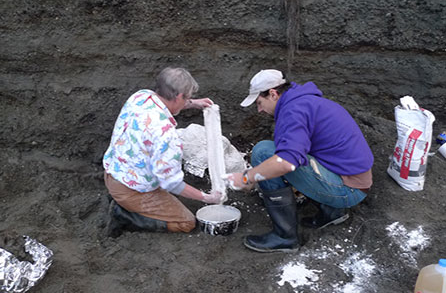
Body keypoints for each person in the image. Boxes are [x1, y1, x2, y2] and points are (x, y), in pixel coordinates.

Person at [223, 69, 373, 253]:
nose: (259, 109)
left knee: (263, 152)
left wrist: (247, 177)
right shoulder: (304, 101)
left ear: (273, 94)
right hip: (355, 180)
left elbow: (287, 162)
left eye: (259, 103)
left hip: (347, 189)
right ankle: (332, 212)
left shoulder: (294, 112)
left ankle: (285, 236)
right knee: (276, 154)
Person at [103, 67, 225, 237]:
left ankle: (121, 201)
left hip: (112, 174)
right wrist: (207, 198)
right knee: (186, 223)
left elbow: (166, 101)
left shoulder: (140, 96)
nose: (187, 100)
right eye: (187, 97)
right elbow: (172, 184)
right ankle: (123, 216)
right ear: (179, 96)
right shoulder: (166, 134)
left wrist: (193, 103)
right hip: (133, 190)